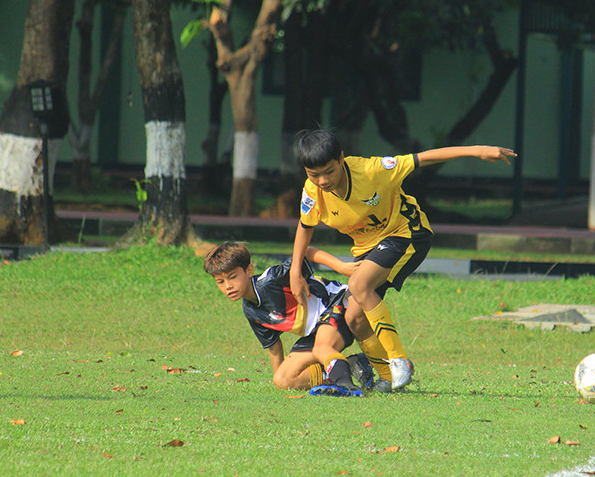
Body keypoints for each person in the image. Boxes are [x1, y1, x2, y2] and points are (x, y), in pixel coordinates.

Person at [290, 128, 517, 390]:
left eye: (328, 171)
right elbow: (305, 227)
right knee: (355, 319)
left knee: (359, 286)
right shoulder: (312, 191)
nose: (322, 181)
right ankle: (388, 377)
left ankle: (399, 360)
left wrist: (477, 151)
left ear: (341, 158)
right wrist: (296, 271)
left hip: (406, 233)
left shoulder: (374, 170)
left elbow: (423, 158)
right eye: (313, 174)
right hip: (369, 250)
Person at [203, 241, 384, 395]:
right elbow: (273, 347)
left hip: (337, 303)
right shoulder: (251, 310)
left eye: (233, 277)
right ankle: (350, 366)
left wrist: (341, 267)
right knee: (283, 379)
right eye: (220, 282)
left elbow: (307, 251)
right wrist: (282, 377)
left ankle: (346, 387)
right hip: (315, 331)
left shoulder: (273, 279)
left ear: (249, 270)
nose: (228, 286)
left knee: (322, 348)